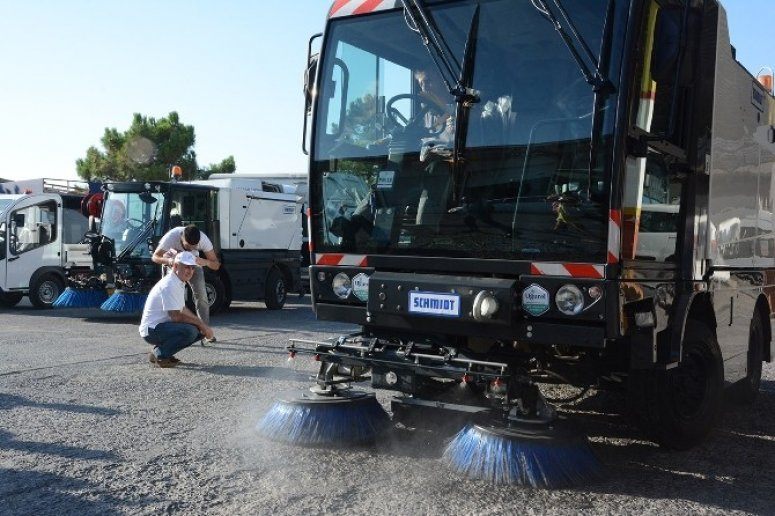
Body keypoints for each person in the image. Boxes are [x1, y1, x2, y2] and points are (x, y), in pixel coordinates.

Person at [139, 251, 214, 368]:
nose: (190, 271)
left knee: (197, 330)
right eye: (186, 267)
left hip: (160, 327)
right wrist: (201, 324)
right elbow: (176, 316)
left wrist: (202, 325)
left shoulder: (178, 281)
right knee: (191, 331)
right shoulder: (170, 284)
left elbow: (182, 309)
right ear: (175, 266)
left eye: (192, 268)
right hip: (152, 330)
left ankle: (164, 352)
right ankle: (160, 354)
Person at [152, 224, 220, 327]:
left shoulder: (203, 239)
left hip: (193, 265)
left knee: (201, 295)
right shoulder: (171, 236)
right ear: (181, 238)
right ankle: (167, 326)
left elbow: (216, 265)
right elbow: (155, 257)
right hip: (174, 265)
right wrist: (169, 261)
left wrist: (205, 262)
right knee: (170, 296)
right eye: (188, 246)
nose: (192, 248)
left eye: (195, 247)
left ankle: (204, 329)